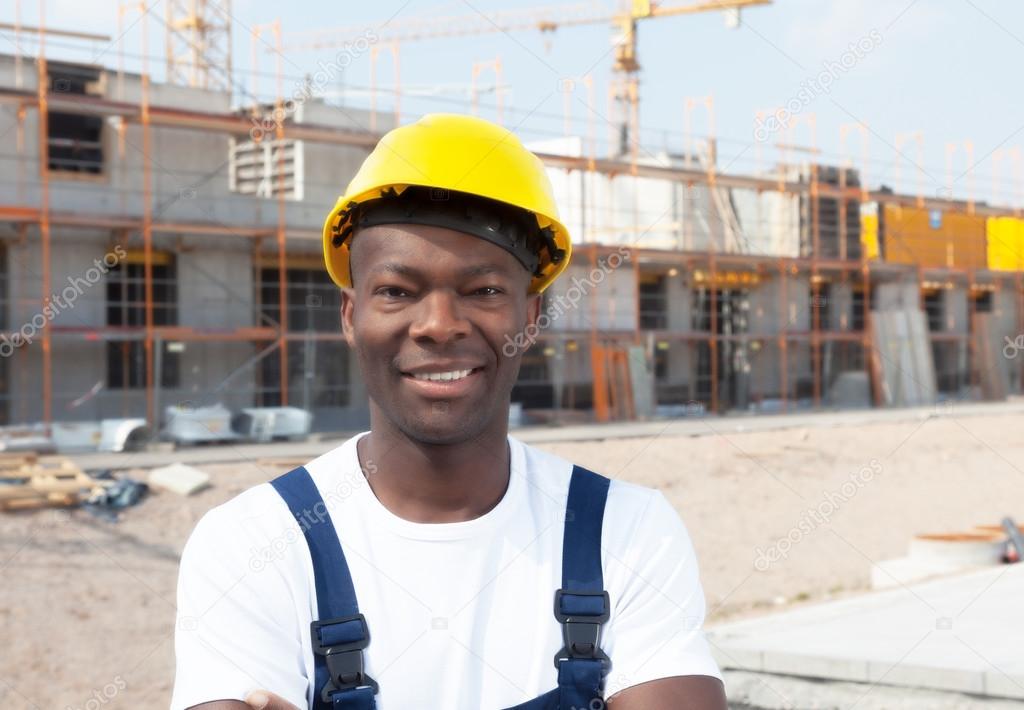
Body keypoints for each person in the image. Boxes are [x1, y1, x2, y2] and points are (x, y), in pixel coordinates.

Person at [171, 113, 726, 710]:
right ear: (350, 315)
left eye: (483, 291)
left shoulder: (628, 531)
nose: (439, 325)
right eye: (397, 292)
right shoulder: (255, 544)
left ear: (531, 317)